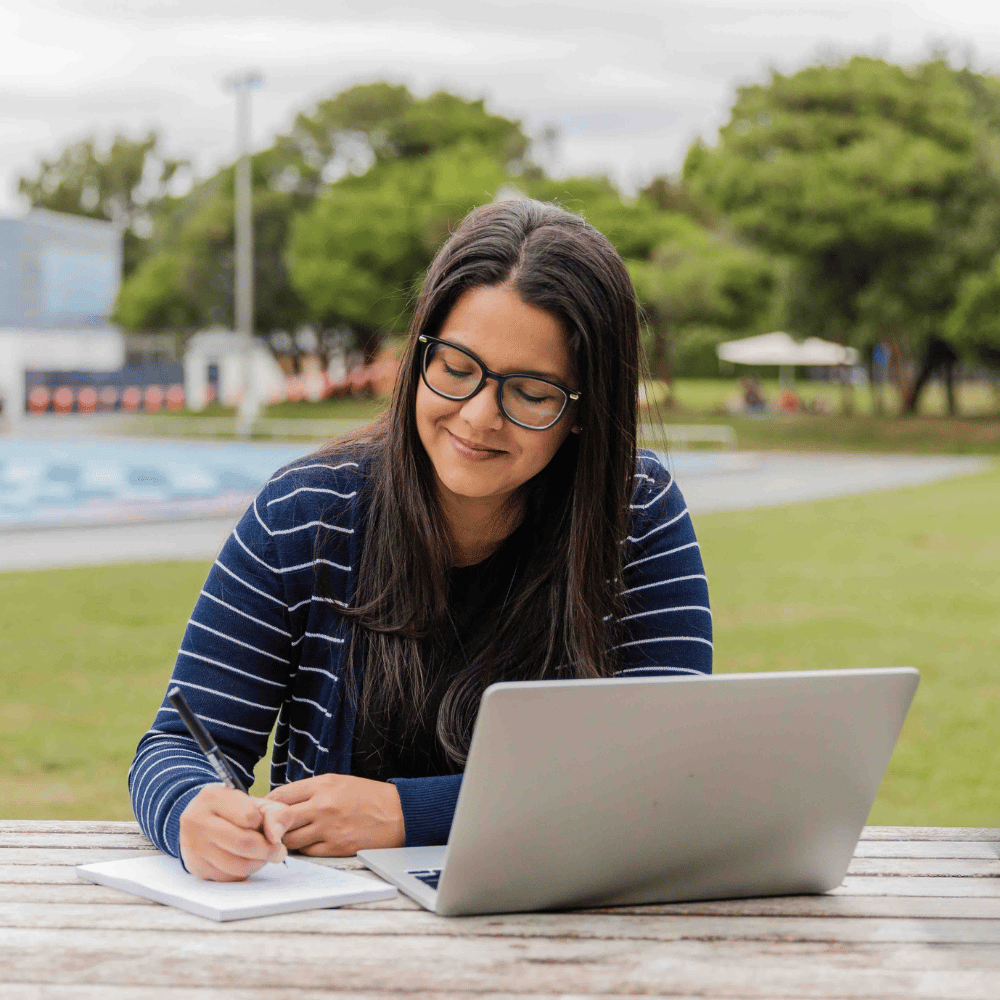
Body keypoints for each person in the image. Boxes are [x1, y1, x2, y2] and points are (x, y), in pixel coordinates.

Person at [129, 199, 713, 882]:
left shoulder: (635, 513)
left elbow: (664, 771)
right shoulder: (304, 514)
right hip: (329, 931)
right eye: (457, 367)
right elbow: (179, 743)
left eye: (530, 392)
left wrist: (410, 813)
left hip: (553, 931)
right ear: (418, 355)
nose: (478, 416)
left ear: (585, 410)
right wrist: (193, 808)